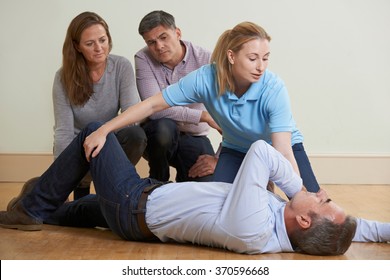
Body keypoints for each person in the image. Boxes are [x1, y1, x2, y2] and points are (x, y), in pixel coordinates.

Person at [0, 122, 360, 255]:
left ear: (307, 222)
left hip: (134, 204)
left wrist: (296, 189)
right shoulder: (285, 228)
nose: (319, 192)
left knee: (95, 133)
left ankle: (30, 207)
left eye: (323, 201)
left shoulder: (254, 227)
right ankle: (43, 207)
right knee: (77, 211)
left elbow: (262, 151)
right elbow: (350, 228)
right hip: (148, 209)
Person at [82, 21, 320, 192]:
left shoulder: (273, 87)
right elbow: (152, 105)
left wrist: (300, 197)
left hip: (278, 147)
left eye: (265, 58)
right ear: (231, 56)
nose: (261, 66)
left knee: (310, 202)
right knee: (220, 206)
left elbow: (283, 150)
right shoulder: (205, 78)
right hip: (236, 149)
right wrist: (103, 130)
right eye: (253, 58)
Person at [52, 11, 147, 199]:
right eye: (89, 44)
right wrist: (60, 172)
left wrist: (103, 135)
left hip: (110, 140)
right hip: (79, 147)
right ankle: (82, 185)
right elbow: (63, 130)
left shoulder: (121, 66)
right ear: (77, 47)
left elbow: (131, 115)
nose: (99, 48)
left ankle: (112, 187)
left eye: (103, 40)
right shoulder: (63, 77)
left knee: (136, 135)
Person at [135, 10, 216, 182]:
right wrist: (203, 116)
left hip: (193, 135)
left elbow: (232, 114)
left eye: (163, 37)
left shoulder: (207, 60)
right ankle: (158, 182)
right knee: (164, 128)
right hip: (157, 134)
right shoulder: (143, 58)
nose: (159, 46)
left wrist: (219, 157)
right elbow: (155, 111)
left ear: (177, 33)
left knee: (208, 180)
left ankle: (181, 189)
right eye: (151, 42)